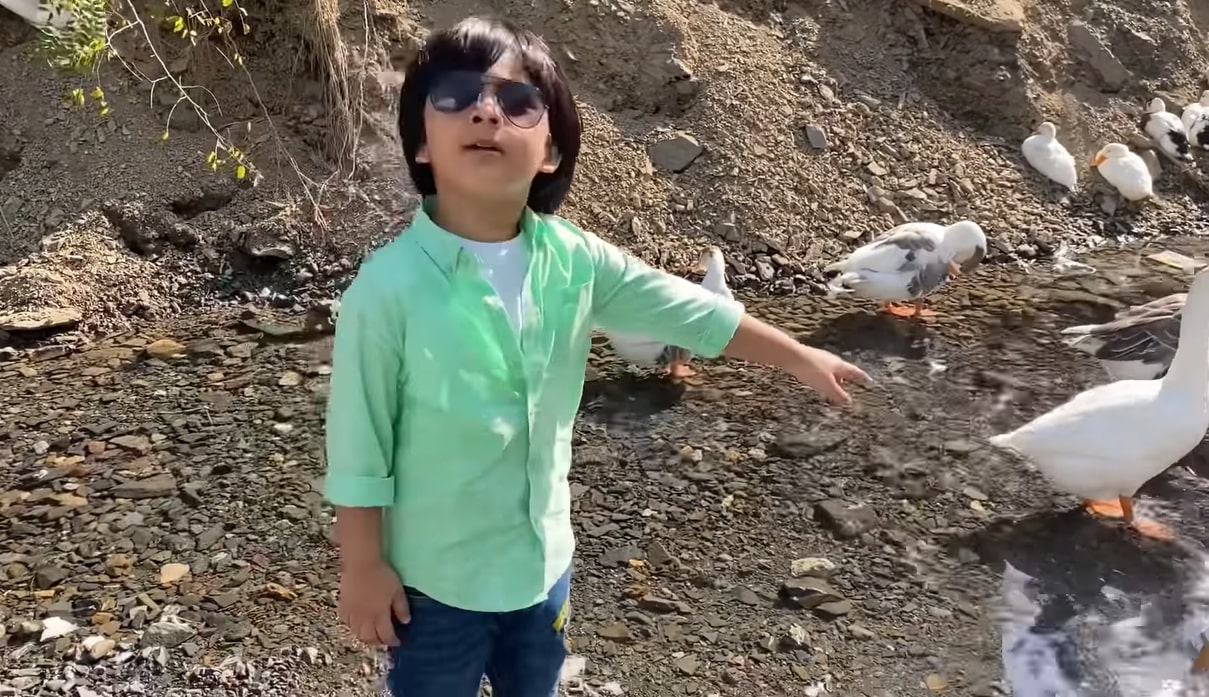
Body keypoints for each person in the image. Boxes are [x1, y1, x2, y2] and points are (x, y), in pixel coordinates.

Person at [322, 15, 871, 697]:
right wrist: (364, 567)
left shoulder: (574, 259)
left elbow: (685, 309)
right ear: (421, 143)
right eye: (456, 96)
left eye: (518, 102)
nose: (487, 111)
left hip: (541, 569)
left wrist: (794, 355)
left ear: (549, 150)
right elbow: (358, 446)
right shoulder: (389, 287)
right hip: (435, 584)